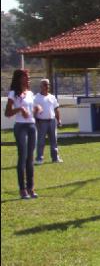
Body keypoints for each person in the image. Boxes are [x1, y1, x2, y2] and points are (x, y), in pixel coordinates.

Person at [5, 70, 40, 199]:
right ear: (20, 78)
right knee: (23, 157)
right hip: (20, 127)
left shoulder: (30, 93)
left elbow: (32, 109)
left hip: (32, 126)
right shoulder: (13, 93)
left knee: (30, 158)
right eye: (26, 77)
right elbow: (7, 113)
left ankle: (31, 188)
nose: (29, 79)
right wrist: (19, 109)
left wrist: (36, 109)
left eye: (29, 77)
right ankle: (22, 189)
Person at [34, 79, 62, 164]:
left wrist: (59, 120)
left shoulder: (52, 97)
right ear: (41, 86)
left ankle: (55, 158)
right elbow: (34, 111)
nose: (47, 86)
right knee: (41, 141)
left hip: (52, 121)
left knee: (54, 141)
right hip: (41, 122)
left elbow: (56, 109)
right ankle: (39, 159)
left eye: (48, 85)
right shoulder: (36, 98)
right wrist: (35, 121)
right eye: (45, 85)